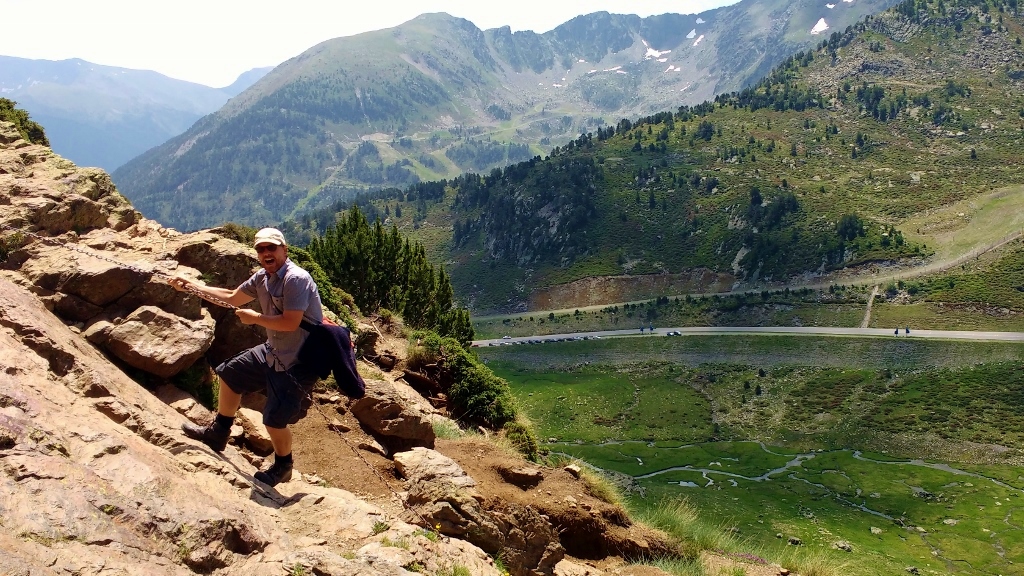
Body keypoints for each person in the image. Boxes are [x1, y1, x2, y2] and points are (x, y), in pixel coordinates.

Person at [168, 227, 324, 487]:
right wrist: (192, 287)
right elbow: (231, 297)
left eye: (271, 248)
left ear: (284, 250)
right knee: (231, 373)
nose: (266, 253)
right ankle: (218, 432)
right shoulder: (262, 278)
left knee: (274, 420)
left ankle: (284, 466)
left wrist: (256, 319)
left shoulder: (296, 279)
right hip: (274, 351)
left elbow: (290, 322)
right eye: (261, 249)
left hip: (299, 361)